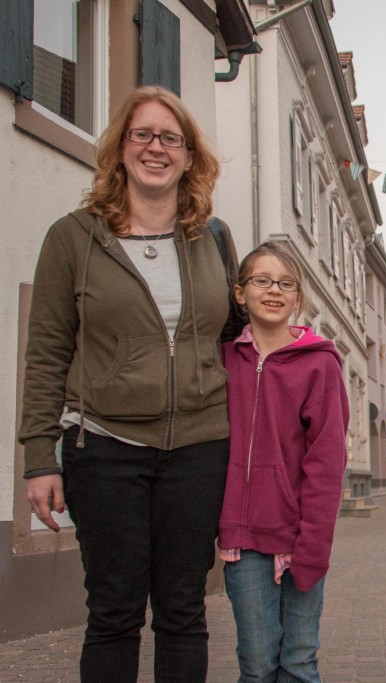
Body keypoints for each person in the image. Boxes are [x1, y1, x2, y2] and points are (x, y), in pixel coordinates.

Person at [19, 86, 240, 681]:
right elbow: (45, 352)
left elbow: (238, 340)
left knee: (183, 610)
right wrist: (39, 456)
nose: (156, 148)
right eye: (141, 135)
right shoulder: (73, 238)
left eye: (171, 138)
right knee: (114, 613)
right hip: (105, 446)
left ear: (189, 157)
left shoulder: (213, 239)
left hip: (198, 447)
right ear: (119, 149)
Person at [218, 241, 349, 682]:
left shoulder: (320, 364)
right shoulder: (223, 359)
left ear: (298, 298)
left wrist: (314, 543)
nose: (274, 291)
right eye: (262, 280)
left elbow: (327, 463)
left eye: (286, 283)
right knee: (255, 665)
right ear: (241, 293)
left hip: (299, 536)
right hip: (243, 538)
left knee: (298, 662)